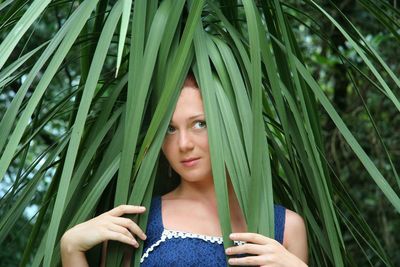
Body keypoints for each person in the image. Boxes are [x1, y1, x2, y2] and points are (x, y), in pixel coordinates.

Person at [61, 74, 308, 266]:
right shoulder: (139, 223)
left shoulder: (286, 227)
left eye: (199, 124)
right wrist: (71, 248)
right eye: (170, 129)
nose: (183, 144)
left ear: (231, 126)